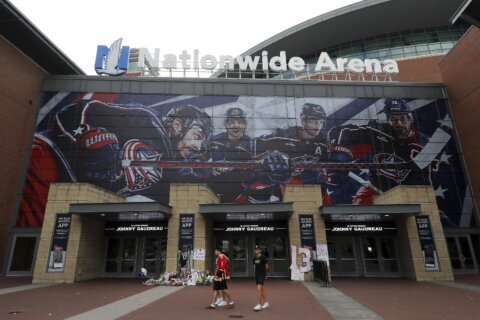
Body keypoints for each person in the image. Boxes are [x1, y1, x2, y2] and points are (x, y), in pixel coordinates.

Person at [17, 100, 213, 227]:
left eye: (202, 144)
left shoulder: (172, 164)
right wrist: (90, 138)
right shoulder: (145, 119)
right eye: (197, 136)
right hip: (50, 162)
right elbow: (76, 111)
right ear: (178, 125)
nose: (197, 146)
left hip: (74, 197)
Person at [328, 98, 439, 204]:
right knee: (359, 212)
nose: (399, 123)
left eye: (403, 119)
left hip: (408, 195)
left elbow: (425, 183)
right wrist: (340, 158)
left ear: (411, 119)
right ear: (387, 120)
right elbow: (337, 131)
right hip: (375, 188)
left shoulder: (424, 145)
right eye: (393, 119)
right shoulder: (378, 131)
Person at [236, 103, 329, 203]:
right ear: (303, 120)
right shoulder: (284, 135)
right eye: (313, 120)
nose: (317, 125)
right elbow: (253, 146)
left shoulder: (324, 142)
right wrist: (267, 160)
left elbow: (328, 173)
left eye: (320, 121)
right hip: (278, 184)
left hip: (304, 189)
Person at [209, 107, 253, 202]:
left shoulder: (252, 144)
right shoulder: (214, 140)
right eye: (232, 122)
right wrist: (210, 166)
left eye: (240, 122)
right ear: (226, 124)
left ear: (244, 125)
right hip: (215, 192)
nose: (236, 125)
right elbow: (202, 159)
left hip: (242, 192)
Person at [253, 246, 269, 311]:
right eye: (255, 249)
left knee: (258, 289)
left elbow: (267, 266)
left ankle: (259, 304)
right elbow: (255, 265)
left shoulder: (263, 257)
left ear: (260, 250)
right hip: (257, 275)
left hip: (262, 275)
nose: (256, 250)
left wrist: (265, 274)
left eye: (257, 249)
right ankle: (266, 303)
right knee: (261, 290)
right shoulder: (254, 258)